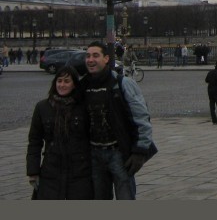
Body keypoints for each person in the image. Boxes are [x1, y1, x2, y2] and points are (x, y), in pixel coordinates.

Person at [82, 40, 157, 199]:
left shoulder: (123, 83)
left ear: (106, 59)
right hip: (93, 154)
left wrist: (140, 151)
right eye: (88, 56)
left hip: (118, 153)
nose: (90, 60)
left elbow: (142, 118)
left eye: (96, 55)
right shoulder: (83, 86)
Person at [26, 65, 94, 199]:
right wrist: (33, 171)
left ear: (74, 84)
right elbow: (34, 141)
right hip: (51, 169)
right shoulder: (42, 107)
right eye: (59, 81)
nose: (62, 85)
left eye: (67, 81)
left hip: (79, 171)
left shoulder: (84, 107)